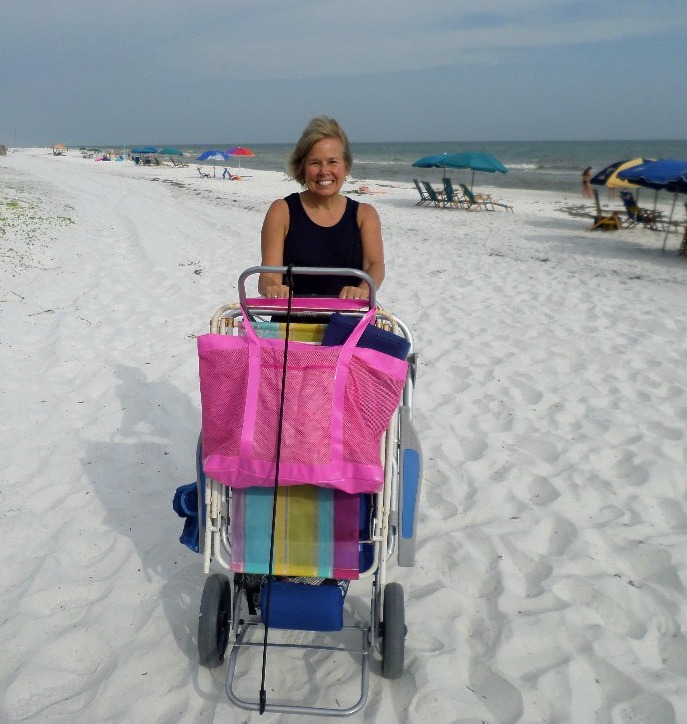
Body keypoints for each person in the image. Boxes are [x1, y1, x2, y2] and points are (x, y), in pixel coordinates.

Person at [259, 116, 384, 300]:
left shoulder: (365, 215)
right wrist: (273, 288)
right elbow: (268, 276)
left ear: (346, 166)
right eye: (315, 162)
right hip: (291, 322)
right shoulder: (282, 211)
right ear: (302, 168)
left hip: (349, 322)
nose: (324, 171)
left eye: (333, 162)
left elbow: (375, 265)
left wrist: (364, 288)